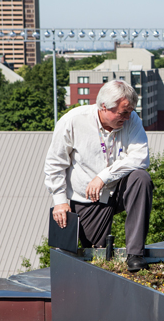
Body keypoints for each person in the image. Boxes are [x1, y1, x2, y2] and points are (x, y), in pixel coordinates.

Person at [44, 80, 153, 272]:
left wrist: (104, 177)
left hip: (118, 190)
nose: (128, 117)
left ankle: (135, 254)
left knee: (141, 178)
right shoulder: (73, 120)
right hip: (86, 197)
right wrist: (60, 201)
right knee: (95, 257)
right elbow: (55, 163)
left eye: (130, 112)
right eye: (123, 112)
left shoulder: (132, 119)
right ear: (104, 107)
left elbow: (140, 157)